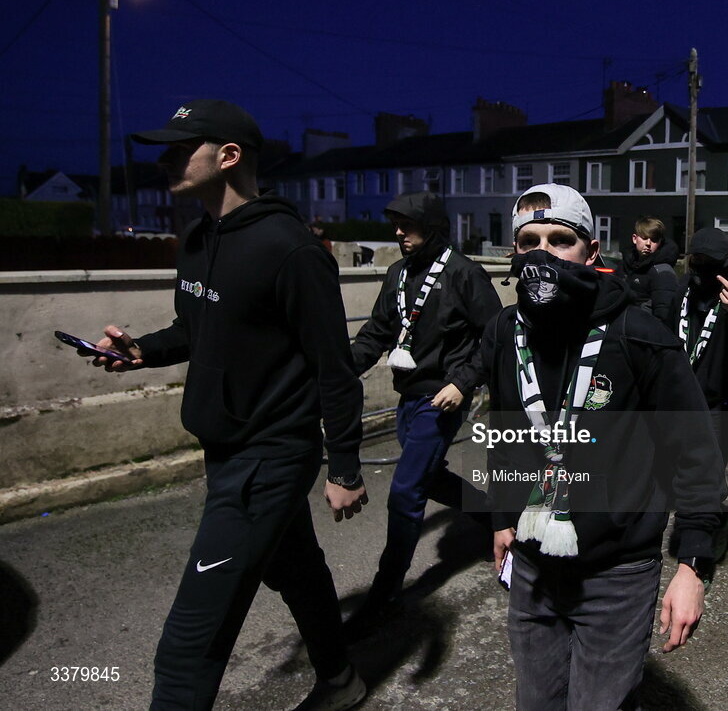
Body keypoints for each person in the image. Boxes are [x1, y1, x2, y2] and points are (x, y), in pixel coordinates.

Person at [83, 99, 368, 710]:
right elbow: (196, 328)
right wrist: (141, 351)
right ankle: (341, 680)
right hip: (225, 446)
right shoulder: (197, 239)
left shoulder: (290, 249)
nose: (164, 162)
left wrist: (344, 466)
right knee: (295, 568)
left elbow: (334, 368)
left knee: (190, 641)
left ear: (229, 156)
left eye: (179, 149)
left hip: (270, 457)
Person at [484, 184, 724, 711]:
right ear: (514, 252)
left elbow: (695, 452)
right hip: (533, 569)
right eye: (529, 241)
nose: (543, 252)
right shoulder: (504, 332)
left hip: (617, 575)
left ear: (591, 253)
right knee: (536, 702)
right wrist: (502, 516)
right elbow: (505, 436)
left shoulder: (641, 337)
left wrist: (692, 566)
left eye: (559, 239)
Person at [347, 191, 502, 628]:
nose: (398, 233)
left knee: (405, 491)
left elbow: (495, 336)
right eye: (395, 224)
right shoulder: (397, 273)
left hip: (442, 397)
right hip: (410, 394)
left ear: (433, 228)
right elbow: (376, 332)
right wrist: (341, 370)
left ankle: (385, 593)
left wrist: (462, 382)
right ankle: (493, 514)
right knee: (428, 477)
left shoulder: (465, 274)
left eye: (408, 226)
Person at [666, 227, 728, 513]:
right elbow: (669, 323)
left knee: (713, 456)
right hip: (684, 389)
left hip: (718, 395)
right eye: (696, 257)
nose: (700, 264)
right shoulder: (687, 284)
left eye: (707, 259)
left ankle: (707, 514)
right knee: (684, 455)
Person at [615, 215, 679, 325]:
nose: (648, 244)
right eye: (644, 238)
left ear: (660, 242)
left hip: (644, 334)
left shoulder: (663, 272)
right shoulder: (624, 265)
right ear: (635, 239)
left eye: (654, 240)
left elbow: (664, 316)